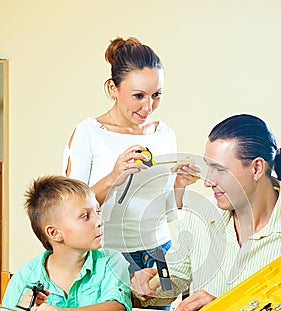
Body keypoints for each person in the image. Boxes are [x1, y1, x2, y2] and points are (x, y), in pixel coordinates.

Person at [131, 114, 281, 311]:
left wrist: (226, 310)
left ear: (257, 168)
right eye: (208, 168)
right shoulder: (200, 220)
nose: (207, 181)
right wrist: (149, 283)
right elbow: (169, 284)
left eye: (219, 170)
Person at [62, 36, 199, 275]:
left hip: (159, 252)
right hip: (107, 253)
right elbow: (70, 211)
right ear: (113, 89)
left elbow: (168, 213)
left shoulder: (164, 134)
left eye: (157, 94)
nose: (148, 106)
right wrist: (115, 175)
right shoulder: (89, 133)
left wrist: (180, 185)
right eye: (138, 96)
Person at [1, 175, 131, 311]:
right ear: (54, 233)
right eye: (85, 216)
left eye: (98, 212)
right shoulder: (25, 277)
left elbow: (117, 307)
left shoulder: (111, 261)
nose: (99, 221)